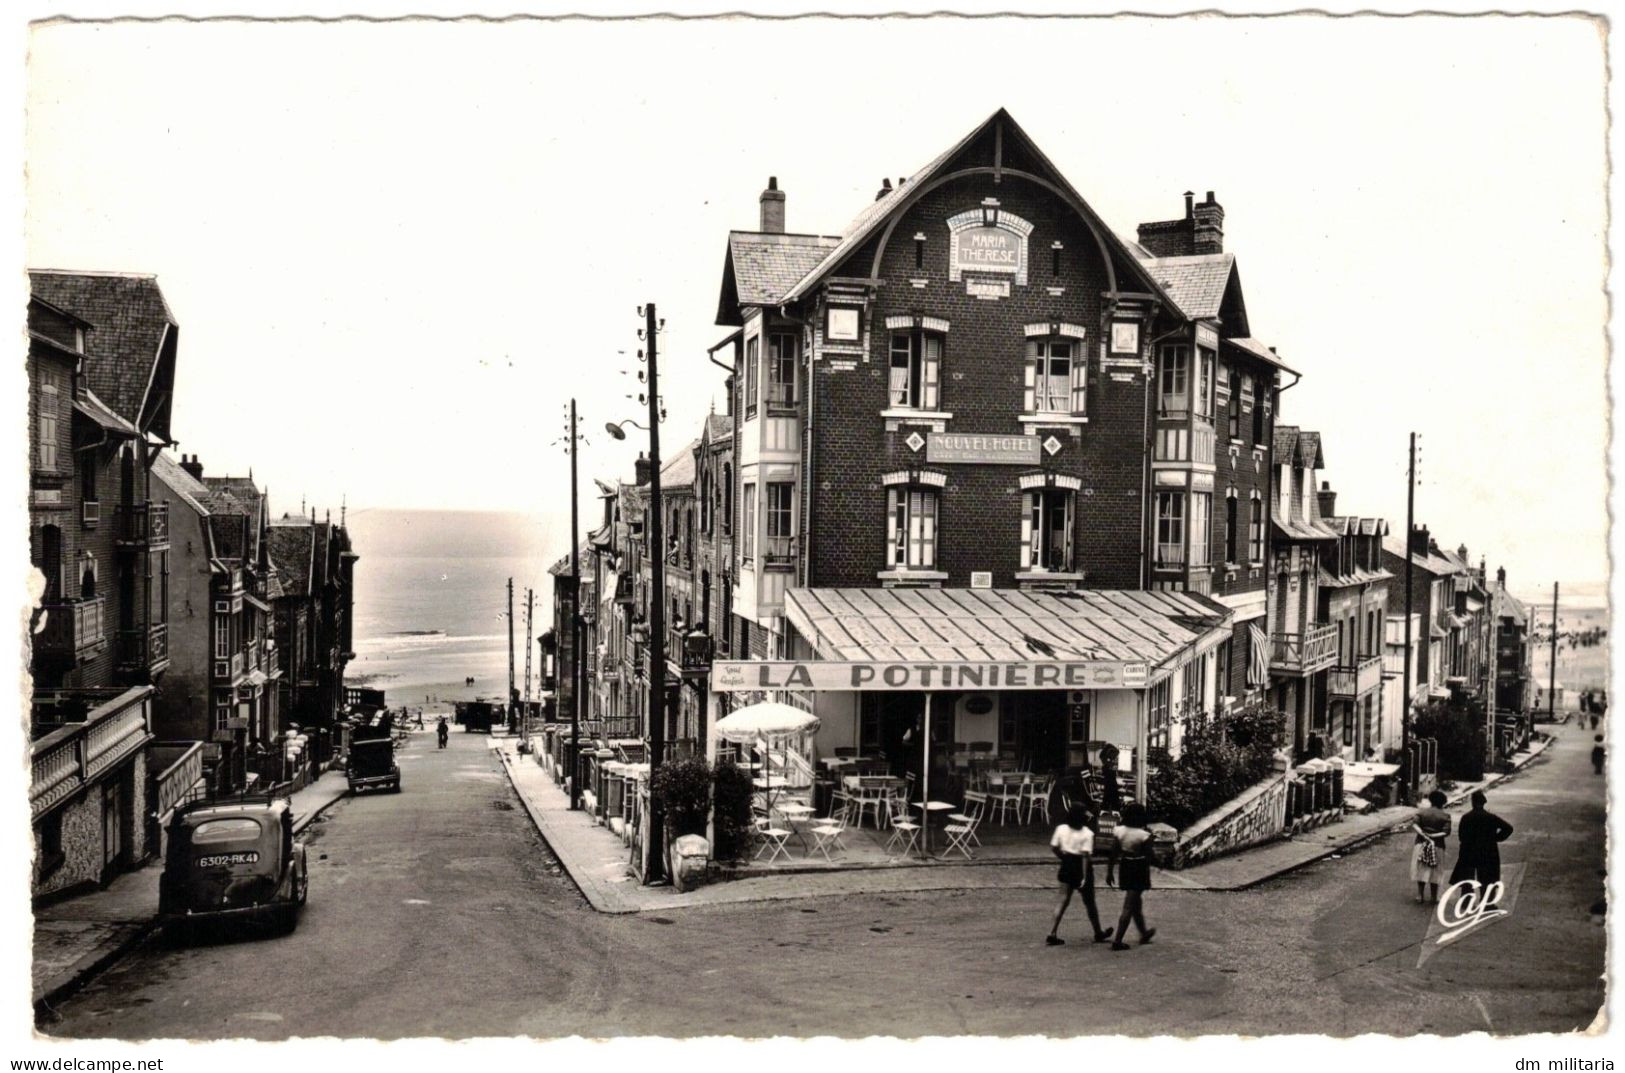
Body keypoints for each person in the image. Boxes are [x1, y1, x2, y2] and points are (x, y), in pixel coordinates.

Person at [1046, 803, 1111, 946]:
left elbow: (1054, 847)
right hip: (1081, 866)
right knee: (1090, 903)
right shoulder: (1087, 833)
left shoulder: (1061, 829)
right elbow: (1084, 857)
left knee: (1062, 900)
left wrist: (1062, 857)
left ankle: (1052, 931)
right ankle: (1098, 931)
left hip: (1067, 862)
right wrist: (1084, 876)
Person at [1105, 801, 1156, 950]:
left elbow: (1113, 853)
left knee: (1135, 902)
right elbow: (1150, 856)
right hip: (1139, 868)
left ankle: (1143, 932)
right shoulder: (1144, 835)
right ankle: (1118, 940)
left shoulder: (1119, 831)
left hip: (1125, 865)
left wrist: (1109, 871)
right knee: (1129, 904)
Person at [1450, 790, 1514, 886]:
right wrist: (1496, 838)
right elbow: (1508, 828)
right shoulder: (1491, 817)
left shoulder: (1466, 817)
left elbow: (1461, 836)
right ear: (1483, 803)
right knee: (1487, 881)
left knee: (1467, 882)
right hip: (1487, 851)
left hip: (1469, 851)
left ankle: (1467, 899)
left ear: (1473, 802)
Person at [1411, 789, 1452, 903]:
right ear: (1442, 803)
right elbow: (1446, 832)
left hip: (1421, 843)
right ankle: (1434, 897)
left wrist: (1424, 834)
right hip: (1438, 844)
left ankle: (1420, 895)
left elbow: (1415, 824)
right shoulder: (1445, 816)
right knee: (1436, 870)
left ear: (1431, 800)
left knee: (1421, 868)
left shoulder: (1422, 812)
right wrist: (1434, 835)